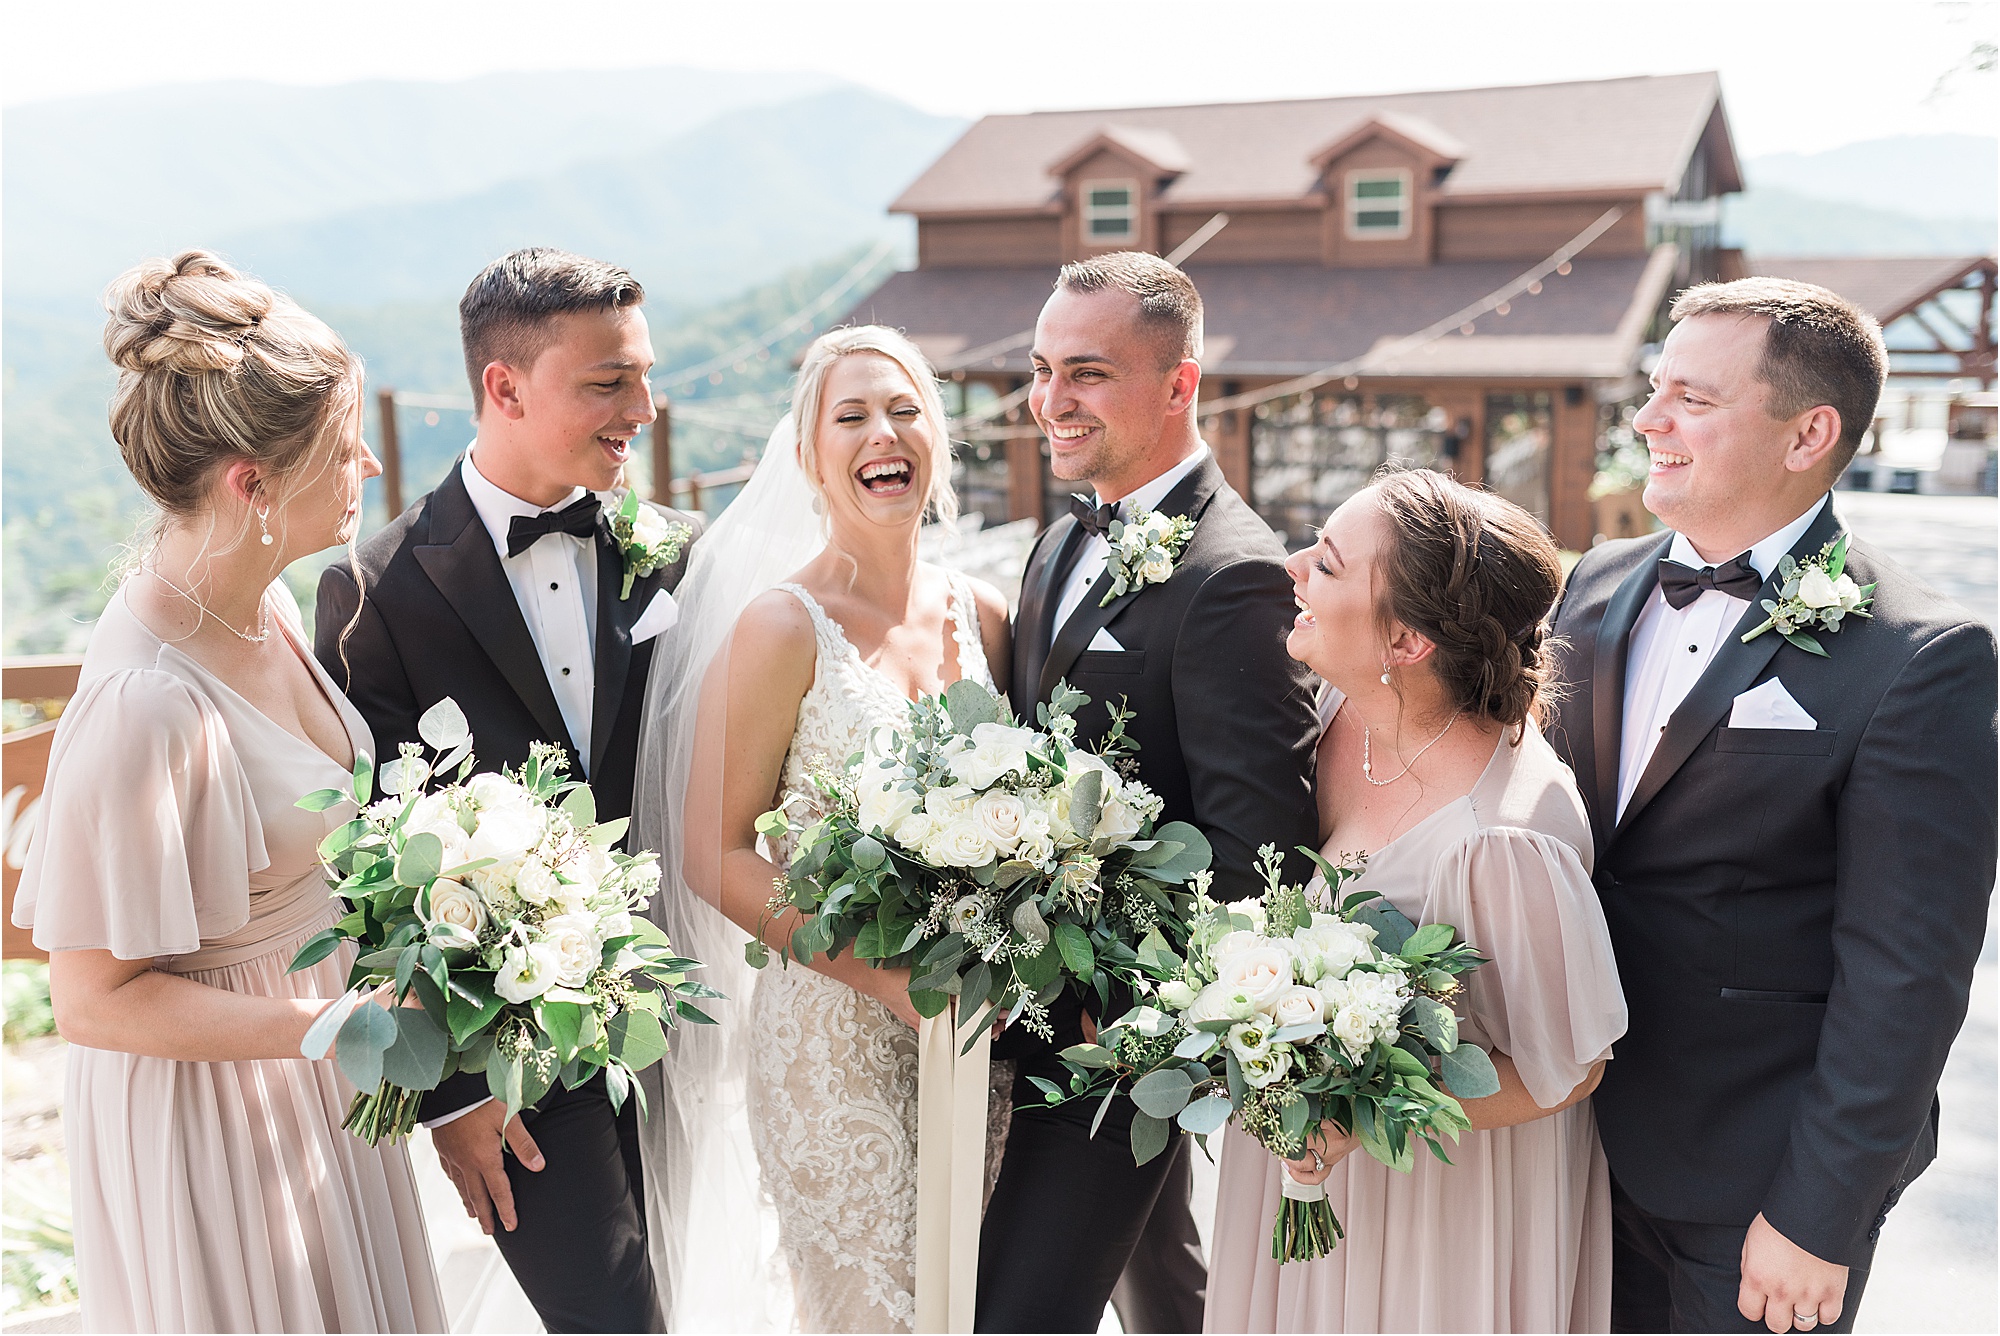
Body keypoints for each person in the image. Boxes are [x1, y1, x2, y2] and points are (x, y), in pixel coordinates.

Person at [1544, 277, 1997, 1334]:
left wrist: (1817, 1214)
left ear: (1808, 435)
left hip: (1753, 1191)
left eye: (1690, 399)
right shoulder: (1593, 586)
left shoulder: (1918, 656)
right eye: (1652, 389)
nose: (1647, 420)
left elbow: (1905, 974)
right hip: (1557, 1149)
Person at [10, 251, 444, 1332]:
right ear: (252, 484)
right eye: (345, 452)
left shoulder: (267, 603)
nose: (370, 472)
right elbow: (94, 999)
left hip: (323, 1070)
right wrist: (328, 1026)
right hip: (218, 1112)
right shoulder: (147, 703)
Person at [316, 248, 700, 1333]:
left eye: (643, 374)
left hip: (689, 1023)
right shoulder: (371, 591)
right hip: (515, 1057)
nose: (644, 408)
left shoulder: (676, 555)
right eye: (608, 382)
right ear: (504, 387)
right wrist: (451, 1094)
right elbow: (371, 861)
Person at [636, 324, 1012, 1331]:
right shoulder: (779, 625)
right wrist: (888, 980)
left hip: (974, 1036)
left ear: (936, 437)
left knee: (968, 1304)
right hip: (833, 1041)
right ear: (806, 456)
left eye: (902, 409)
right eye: (849, 416)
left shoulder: (984, 615)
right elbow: (713, 855)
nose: (880, 431)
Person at [978, 252, 1321, 1334]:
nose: (1049, 402)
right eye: (1040, 370)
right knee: (1163, 1284)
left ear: (1179, 385)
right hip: (1022, 1017)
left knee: (1017, 1313)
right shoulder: (1052, 543)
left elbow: (1257, 846)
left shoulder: (1233, 575)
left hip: (1116, 1044)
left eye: (1085, 372)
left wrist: (1118, 1003)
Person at [1204, 469, 1629, 1333]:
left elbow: (1573, 1067)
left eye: (1326, 563)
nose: (1293, 568)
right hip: (1307, 1172)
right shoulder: (1338, 708)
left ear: (1407, 642)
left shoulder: (1502, 838)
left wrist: (1367, 1116)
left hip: (1439, 1208)